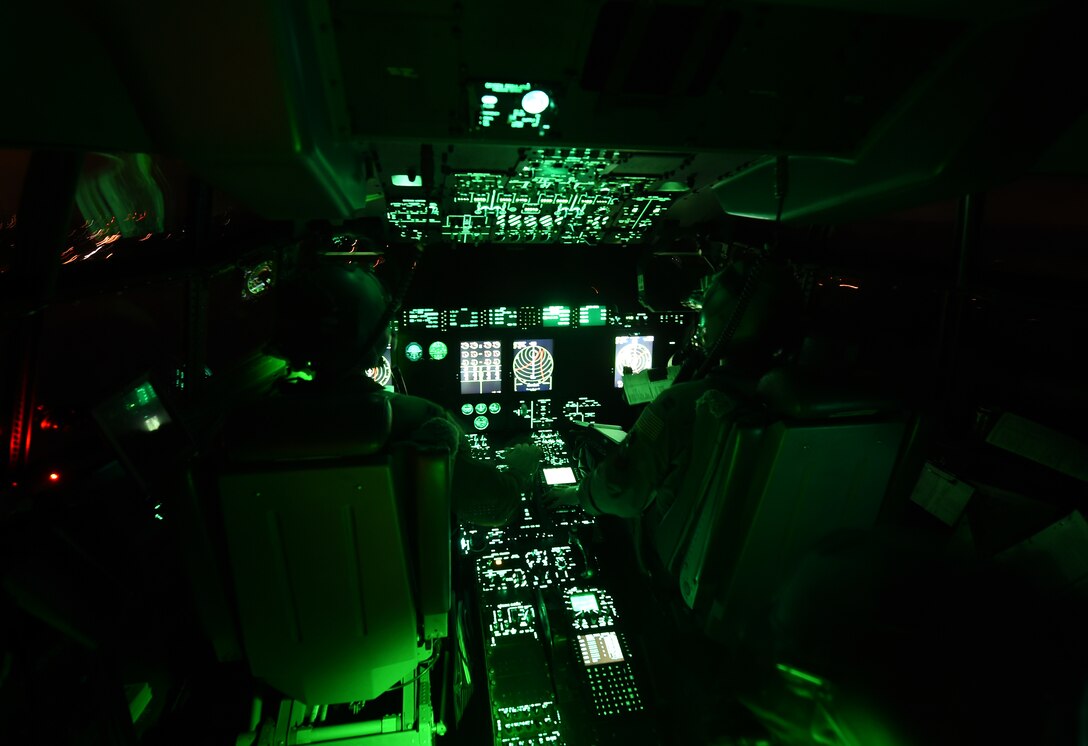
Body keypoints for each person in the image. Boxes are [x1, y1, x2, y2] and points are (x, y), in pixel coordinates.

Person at [270, 259, 539, 527]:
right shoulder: (418, 420)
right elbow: (494, 505)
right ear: (376, 334)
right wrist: (520, 470)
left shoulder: (267, 419)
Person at [547, 255, 804, 520]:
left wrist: (577, 494)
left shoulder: (679, 405)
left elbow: (618, 487)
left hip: (664, 532)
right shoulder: (794, 398)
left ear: (721, 317)